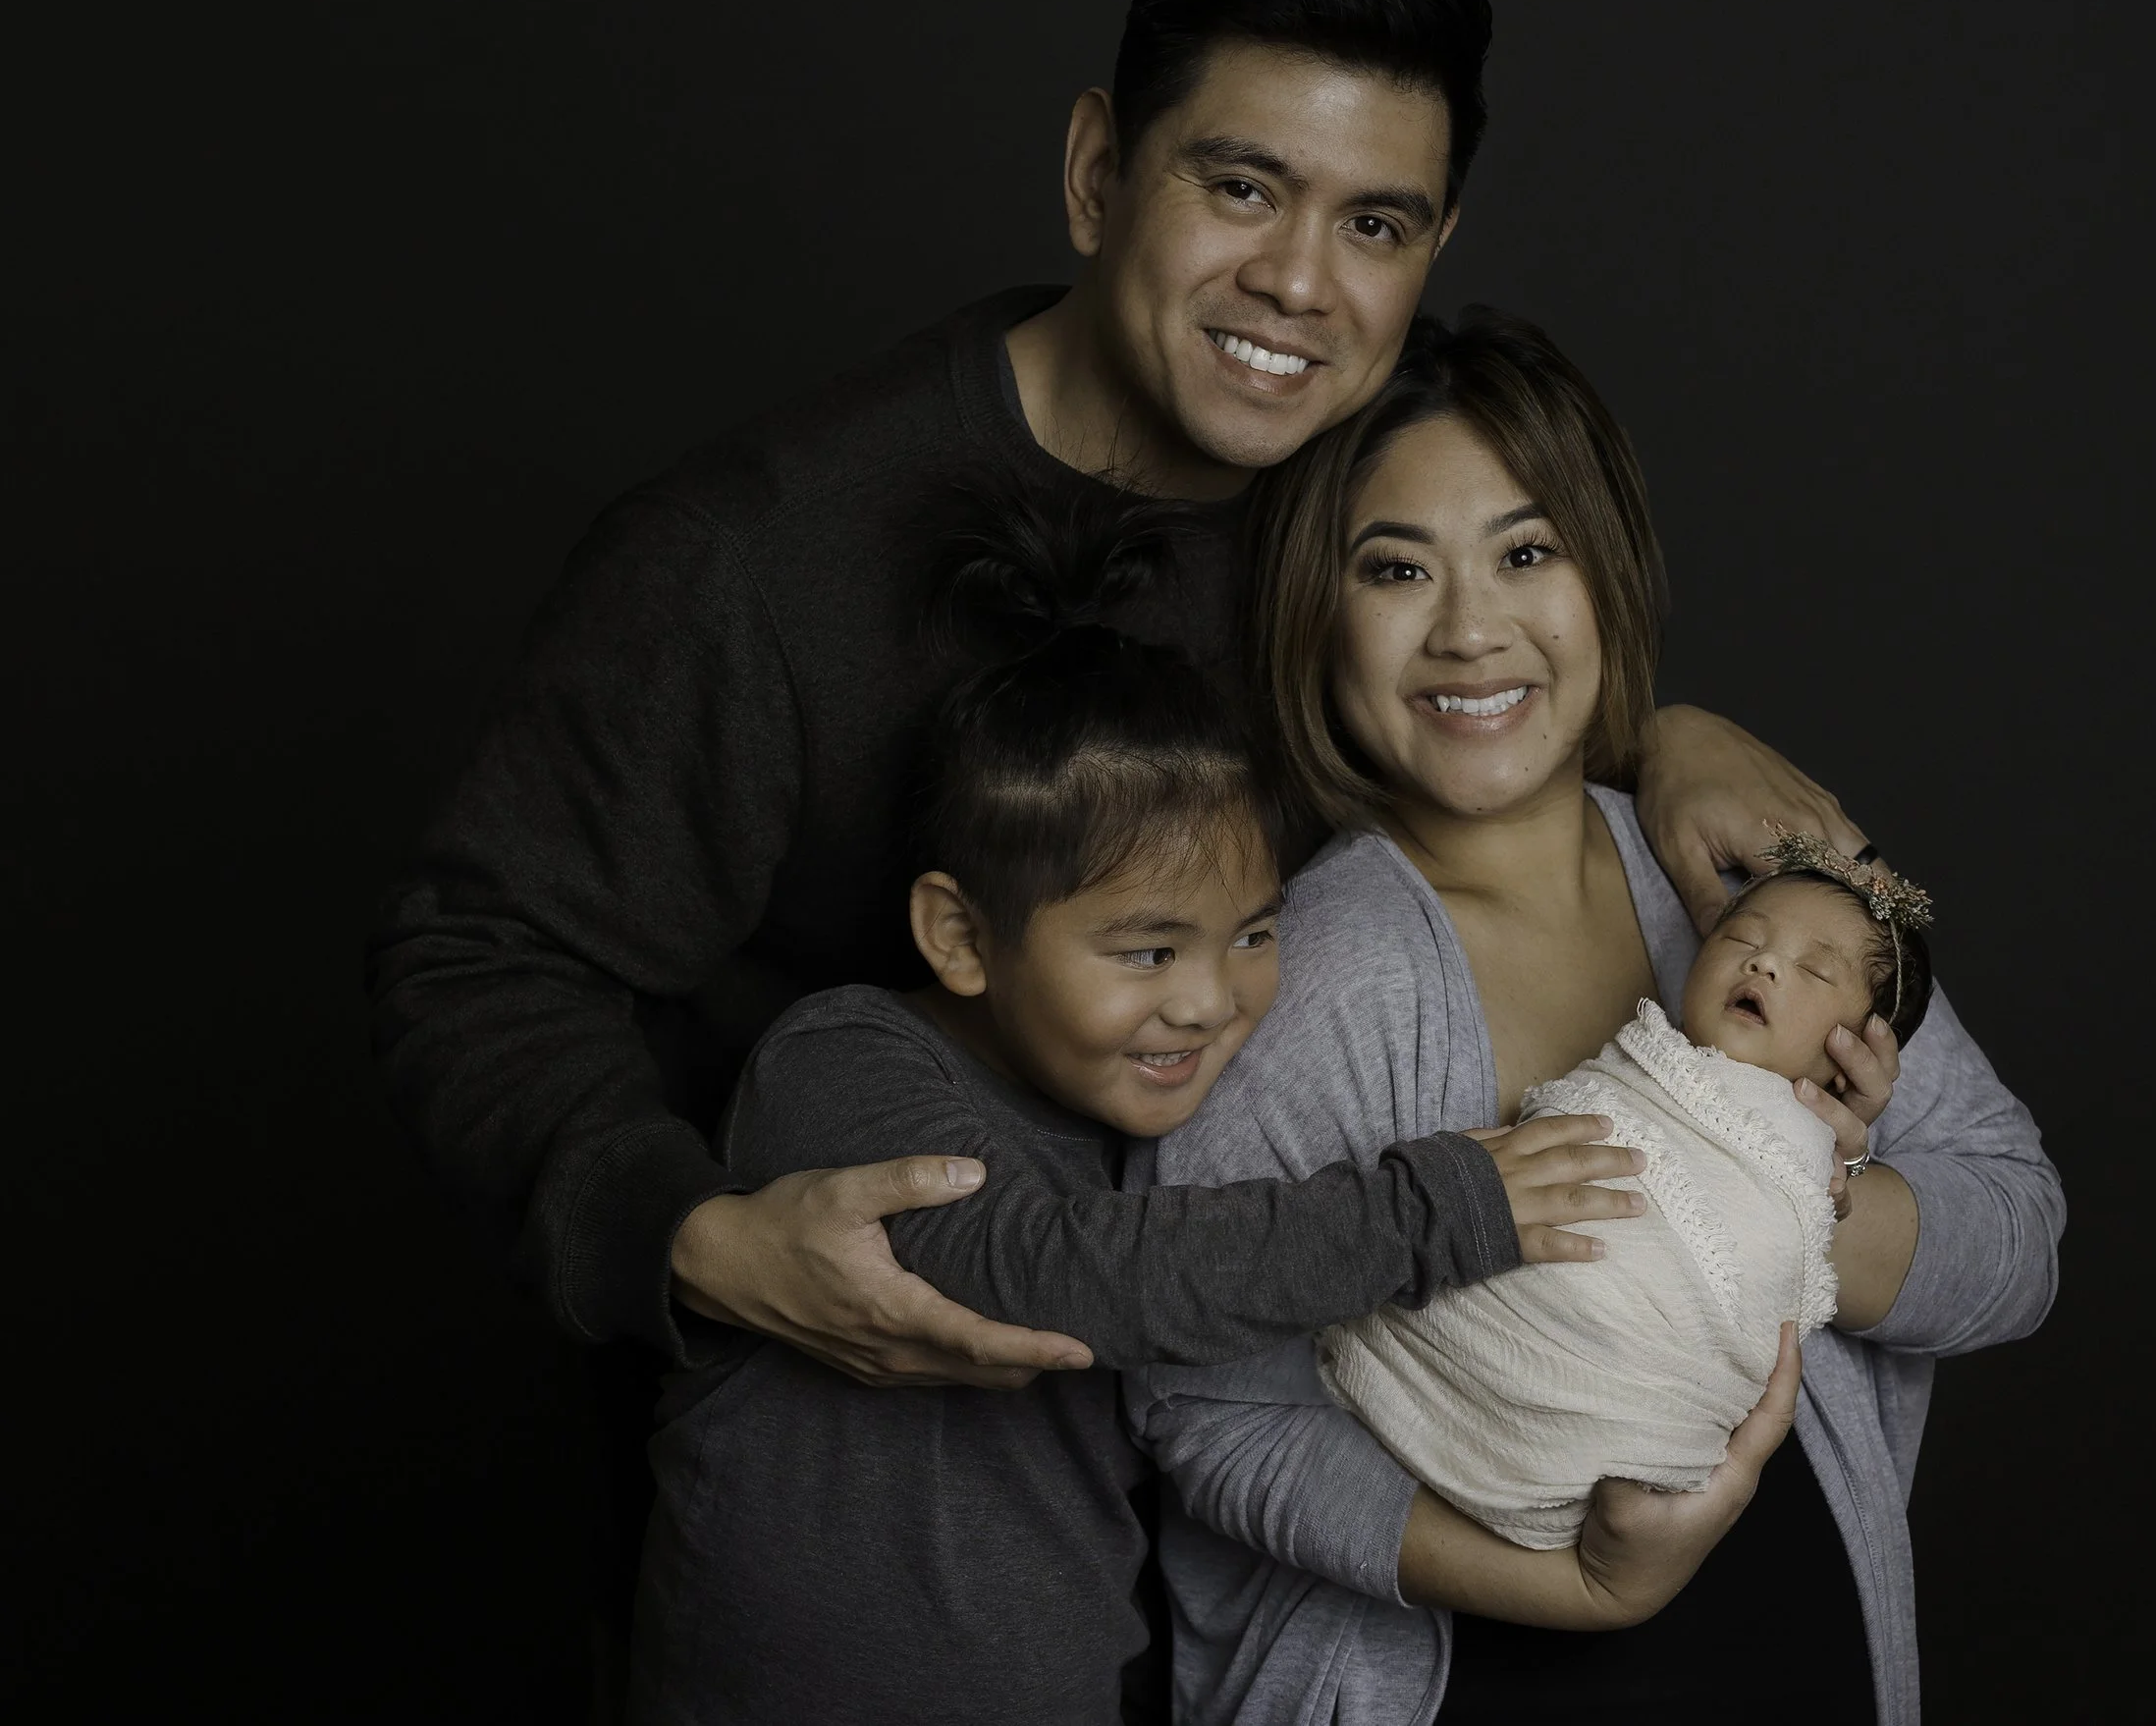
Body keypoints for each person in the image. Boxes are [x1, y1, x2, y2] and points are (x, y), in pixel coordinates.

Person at [366, 0, 1876, 1693]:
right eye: (1241, 186)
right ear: (1098, 172)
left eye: (1376, 223)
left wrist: (1660, 728)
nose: (1300, 284)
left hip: (1247, 1557)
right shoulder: (755, 559)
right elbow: (480, 957)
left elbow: (1476, 669)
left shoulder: (1342, 518)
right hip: (895, 1519)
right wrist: (692, 1239)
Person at [1135, 311, 2064, 1726]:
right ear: (1318, 613)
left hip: (1802, 1660)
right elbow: (1201, 1409)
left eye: (1527, 551)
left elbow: (2018, 1238)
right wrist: (1576, 1586)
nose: (1470, 628)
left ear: (1605, 569)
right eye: (1395, 568)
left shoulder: (1755, 890)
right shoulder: (1305, 983)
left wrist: (1785, 1185)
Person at [628, 488, 1648, 1723]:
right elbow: (1044, 1269)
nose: (1213, 1002)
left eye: (1255, 933)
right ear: (959, 935)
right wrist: (1431, 1215)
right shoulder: (842, 1060)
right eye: (1147, 952)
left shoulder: (1139, 1117)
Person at [1316, 838, 1937, 1549]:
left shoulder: (1809, 1148)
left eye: (1814, 970)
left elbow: (1772, 1260)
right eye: (1742, 937)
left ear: (1856, 1049)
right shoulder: (1644, 1062)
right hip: (1505, 1335)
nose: (1763, 961)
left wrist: (1834, 1170)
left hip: (1638, 1413)